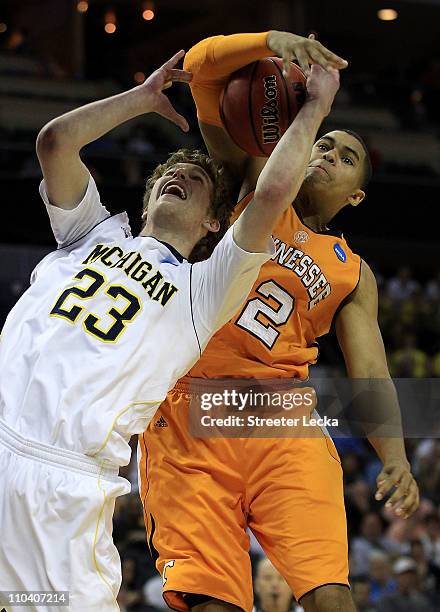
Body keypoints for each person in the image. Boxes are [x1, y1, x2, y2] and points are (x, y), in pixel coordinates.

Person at [0, 48, 338, 610]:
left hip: (62, 488)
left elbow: (273, 194)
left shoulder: (204, 291)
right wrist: (140, 99)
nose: (181, 174)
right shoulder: (90, 236)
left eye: (199, 179)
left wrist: (315, 109)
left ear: (212, 222)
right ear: (148, 196)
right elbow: (55, 143)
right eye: (170, 173)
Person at [139, 32, 419, 612]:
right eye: (324, 143)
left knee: (330, 598)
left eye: (346, 158)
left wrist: (394, 457)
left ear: (357, 196)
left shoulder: (352, 272)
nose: (326, 156)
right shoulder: (252, 177)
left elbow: (370, 371)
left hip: (282, 420)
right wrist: (268, 42)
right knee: (214, 602)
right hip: (191, 408)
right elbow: (204, 74)